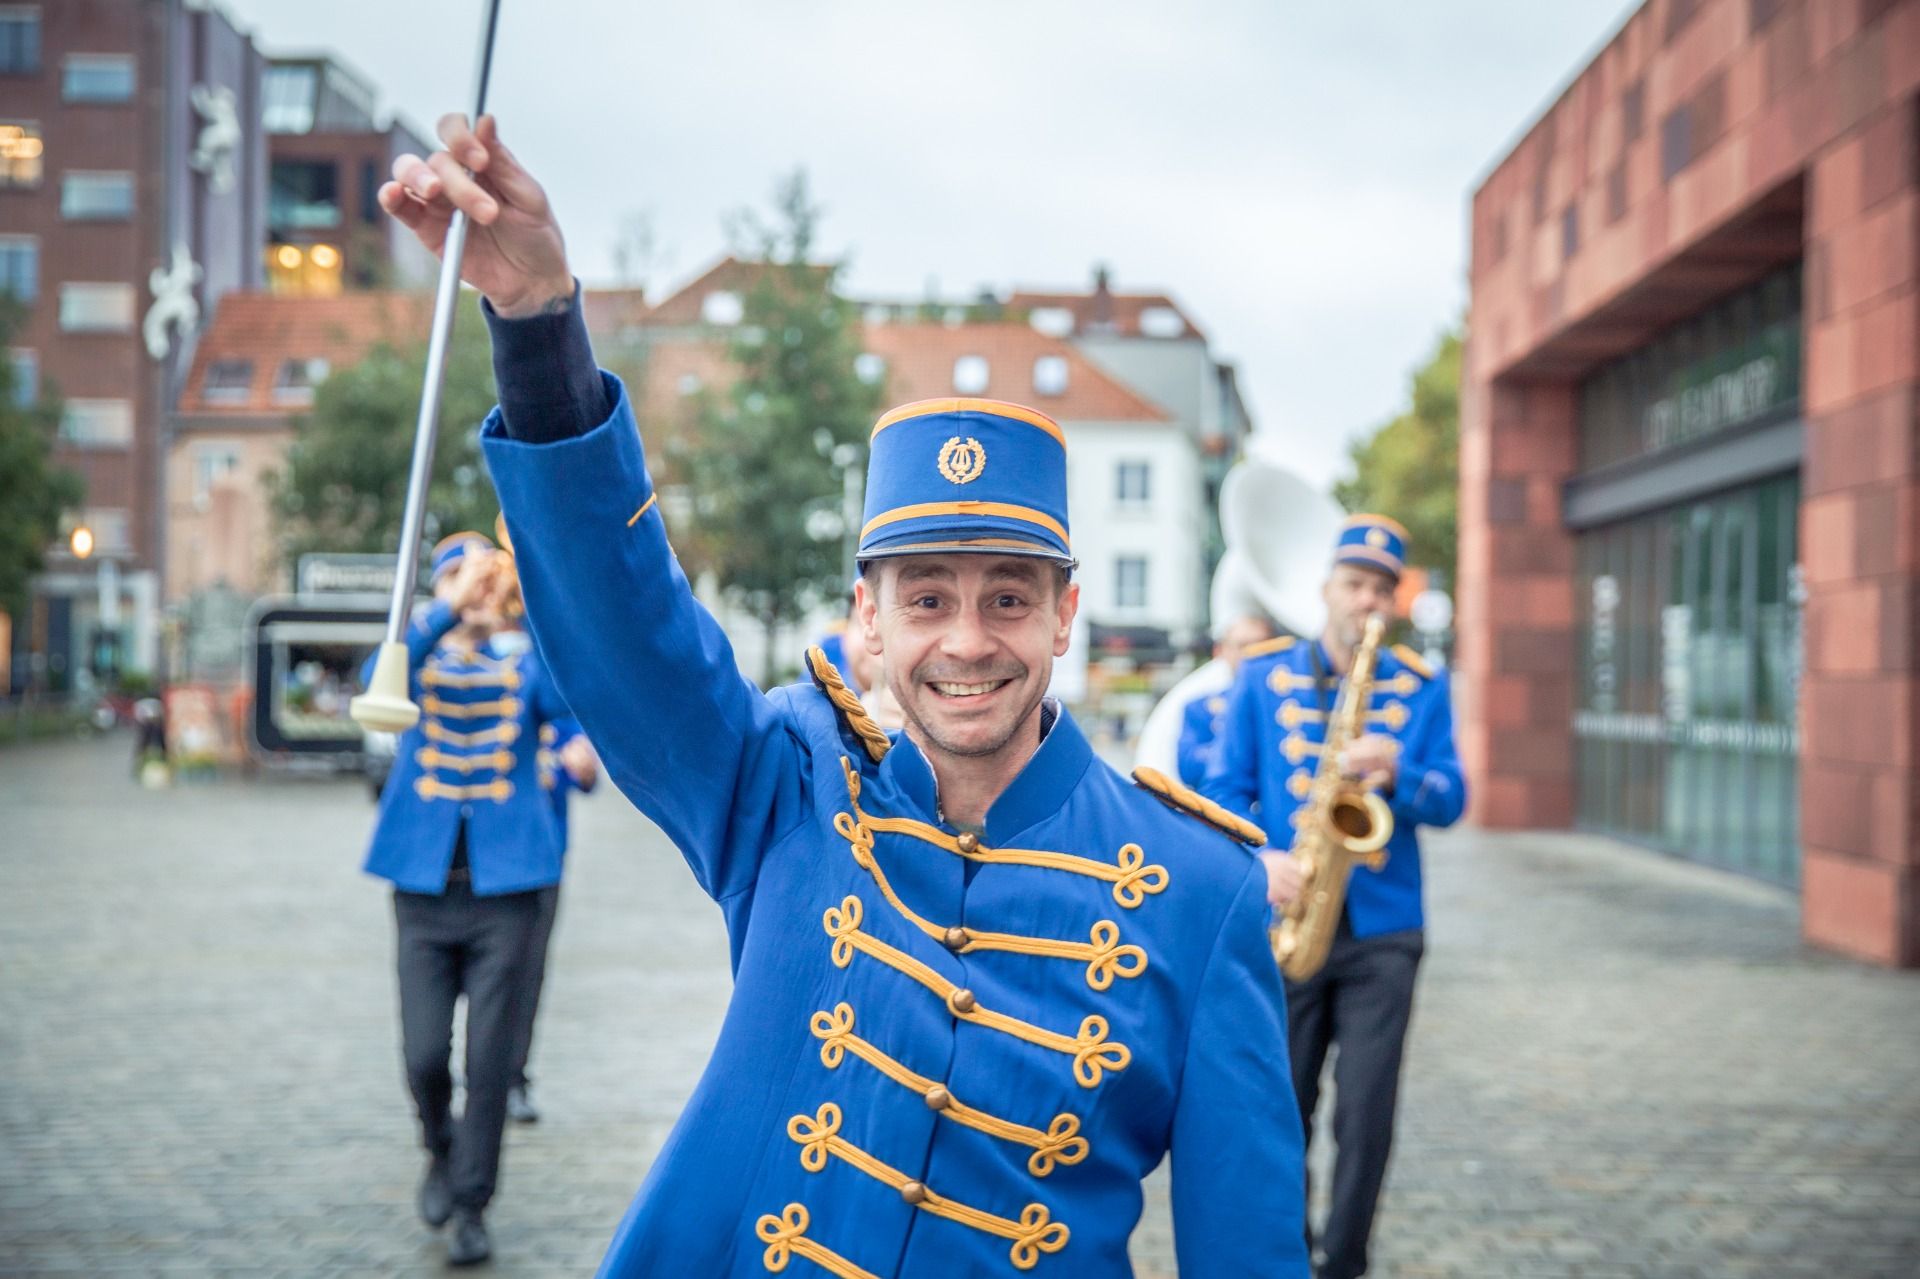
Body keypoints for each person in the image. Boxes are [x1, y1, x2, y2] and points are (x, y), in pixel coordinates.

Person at [380, 112, 1308, 1277]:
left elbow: (1251, 1251)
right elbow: (633, 627)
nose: (967, 642)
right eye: (926, 599)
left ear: (1066, 614)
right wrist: (537, 320)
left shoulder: (1203, 890)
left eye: (1009, 599)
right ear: (865, 617)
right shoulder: (785, 785)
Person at [1203, 516, 1466, 1279]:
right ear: (1327, 589)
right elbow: (1221, 790)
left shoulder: (1420, 686)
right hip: (1288, 922)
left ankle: (1344, 1261)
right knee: (1282, 1106)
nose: (1368, 602)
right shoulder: (1260, 675)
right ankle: (1284, 1254)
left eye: (1383, 589)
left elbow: (1452, 798)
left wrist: (1403, 773)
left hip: (1385, 931)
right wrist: (1262, 858)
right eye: (1355, 584)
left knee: (1366, 1114)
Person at [360, 532, 572, 1266]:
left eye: (483, 581)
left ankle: (473, 1203)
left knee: (488, 1062)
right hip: (423, 887)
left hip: (506, 891)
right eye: (462, 579)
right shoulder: (417, 656)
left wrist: (576, 752)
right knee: (424, 1055)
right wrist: (443, 612)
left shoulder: (524, 662)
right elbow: (374, 683)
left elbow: (569, 706)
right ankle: (438, 1150)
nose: (477, 593)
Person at [506, 714, 599, 1123]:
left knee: (525, 976)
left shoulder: (543, 688)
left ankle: (511, 1078)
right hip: (473, 861)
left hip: (541, 862)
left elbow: (583, 770)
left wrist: (584, 766)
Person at [1174, 613, 1276, 787]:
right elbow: (1189, 768)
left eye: (1262, 645)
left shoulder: (1292, 704)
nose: (1253, 652)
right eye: (1243, 645)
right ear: (1220, 651)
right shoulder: (1199, 709)